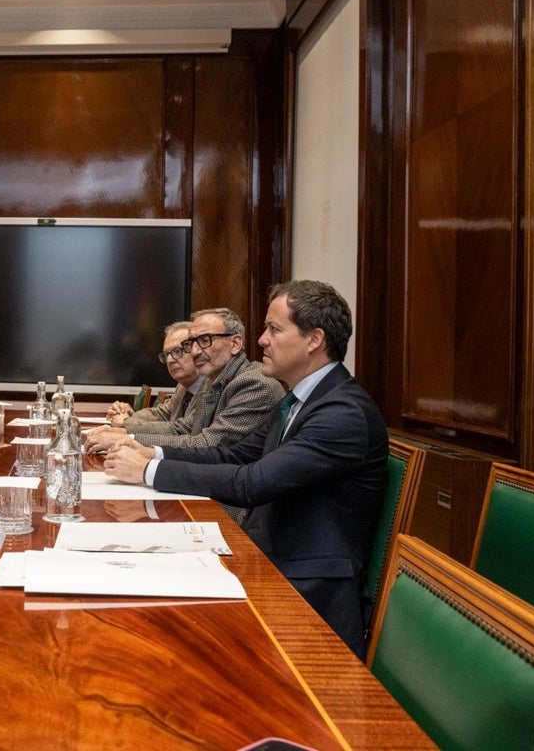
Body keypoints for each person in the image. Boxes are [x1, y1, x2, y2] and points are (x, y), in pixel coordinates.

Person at [103, 281, 387, 658]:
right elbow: (233, 455)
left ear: (314, 339)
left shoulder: (341, 413)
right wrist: (151, 452)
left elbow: (254, 482)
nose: (262, 340)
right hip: (264, 556)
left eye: (274, 329)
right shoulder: (299, 399)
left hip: (304, 591)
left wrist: (147, 473)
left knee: (166, 638)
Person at [87, 308, 283, 452]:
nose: (196, 351)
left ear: (235, 343)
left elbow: (208, 444)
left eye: (205, 340)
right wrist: (124, 432)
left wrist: (128, 438)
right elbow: (185, 428)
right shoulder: (214, 380)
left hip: (228, 503)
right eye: (192, 343)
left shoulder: (255, 384)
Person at [102, 321, 202, 433]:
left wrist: (125, 422)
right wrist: (128, 415)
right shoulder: (183, 387)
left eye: (178, 351)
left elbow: (181, 430)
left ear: (197, 350)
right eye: (166, 354)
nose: (170, 360)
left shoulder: (211, 389)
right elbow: (160, 413)